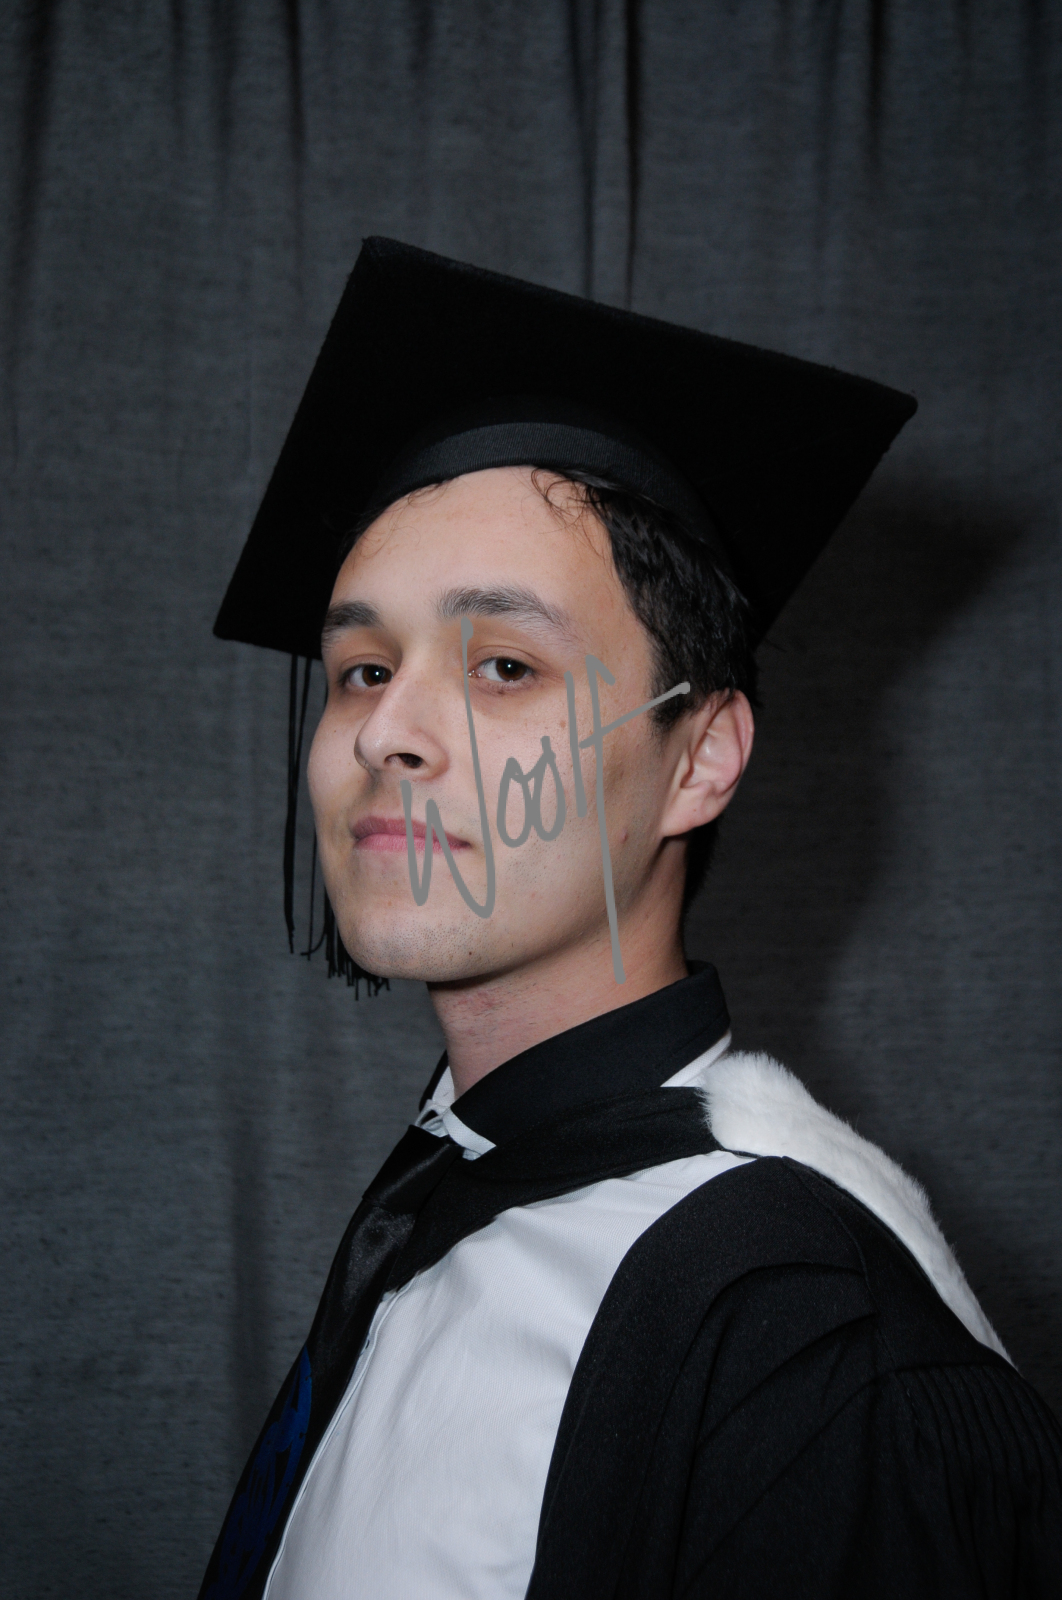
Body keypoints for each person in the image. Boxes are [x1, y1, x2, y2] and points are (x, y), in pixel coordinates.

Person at [198, 239, 1062, 1599]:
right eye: (361, 668)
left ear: (700, 758)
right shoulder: (441, 1189)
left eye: (502, 665)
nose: (386, 731)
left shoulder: (799, 1340)